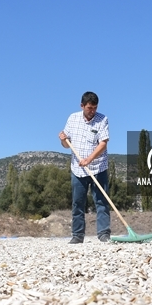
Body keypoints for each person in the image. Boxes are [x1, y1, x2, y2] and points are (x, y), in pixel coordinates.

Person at [58, 91, 111, 244]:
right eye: (89, 108)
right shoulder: (72, 119)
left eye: (95, 108)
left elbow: (103, 143)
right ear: (82, 106)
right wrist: (63, 140)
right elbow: (66, 145)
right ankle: (77, 235)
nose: (92, 111)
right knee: (78, 202)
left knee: (101, 201)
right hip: (78, 169)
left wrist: (89, 159)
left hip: (98, 167)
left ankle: (103, 234)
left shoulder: (103, 119)